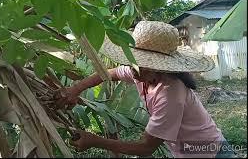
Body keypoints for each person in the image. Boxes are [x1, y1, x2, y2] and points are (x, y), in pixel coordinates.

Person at [55, 21, 236, 158]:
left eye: (141, 64)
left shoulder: (170, 94)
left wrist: (96, 141)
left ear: (159, 68)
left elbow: (146, 147)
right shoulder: (139, 72)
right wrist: (75, 89)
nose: (133, 69)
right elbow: (110, 73)